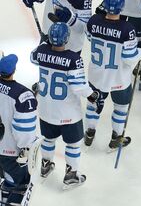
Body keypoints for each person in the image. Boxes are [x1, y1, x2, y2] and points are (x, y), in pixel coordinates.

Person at [30, 23, 98, 189]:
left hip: (46, 109)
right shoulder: (73, 58)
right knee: (73, 144)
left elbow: (32, 57)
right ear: (67, 38)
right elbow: (78, 86)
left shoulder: (41, 51)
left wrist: (44, 43)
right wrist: (93, 95)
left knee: (49, 139)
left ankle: (46, 165)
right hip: (68, 112)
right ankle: (71, 174)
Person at [84, 0, 141, 149]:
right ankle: (116, 137)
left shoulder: (93, 21)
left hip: (96, 76)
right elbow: (130, 58)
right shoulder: (127, 29)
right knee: (121, 108)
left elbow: (89, 37)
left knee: (93, 104)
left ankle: (89, 132)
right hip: (119, 79)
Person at [0, 54, 38, 205]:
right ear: (14, 70)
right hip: (10, 153)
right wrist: (26, 148)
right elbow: (23, 130)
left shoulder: (23, 95)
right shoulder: (22, 95)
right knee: (19, 185)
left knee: (7, 181)